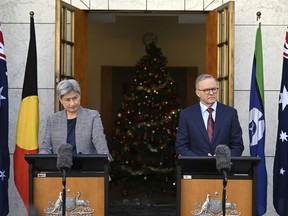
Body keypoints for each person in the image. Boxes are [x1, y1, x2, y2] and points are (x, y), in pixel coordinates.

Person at [39, 79, 113, 160]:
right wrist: (42, 161)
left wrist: (104, 156)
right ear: (60, 100)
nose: (72, 103)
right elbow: (46, 147)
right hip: (60, 170)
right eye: (67, 99)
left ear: (80, 95)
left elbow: (99, 140)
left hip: (86, 168)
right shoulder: (52, 120)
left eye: (75, 98)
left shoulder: (92, 116)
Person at [175, 74, 244, 157]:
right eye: (207, 90)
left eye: (214, 89)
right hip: (196, 168)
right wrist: (201, 160)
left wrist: (222, 158)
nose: (211, 93)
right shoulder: (186, 115)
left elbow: (238, 146)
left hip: (223, 168)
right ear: (197, 93)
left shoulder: (230, 113)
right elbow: (181, 147)